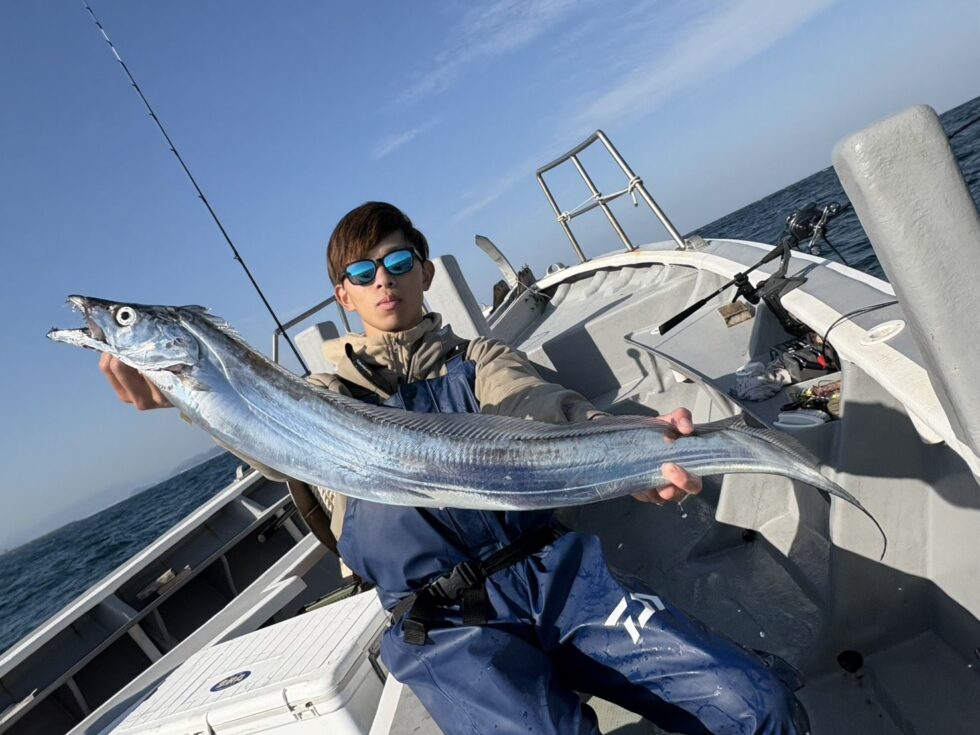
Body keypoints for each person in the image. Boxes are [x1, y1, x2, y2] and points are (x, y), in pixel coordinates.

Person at [99, 202, 809, 734]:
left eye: (400, 262)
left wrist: (625, 448)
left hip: (558, 576)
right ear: (343, 294)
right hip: (442, 627)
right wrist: (185, 396)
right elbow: (260, 430)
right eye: (362, 272)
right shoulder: (314, 402)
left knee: (759, 704)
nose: (385, 280)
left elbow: (542, 408)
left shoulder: (481, 362)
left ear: (427, 272)